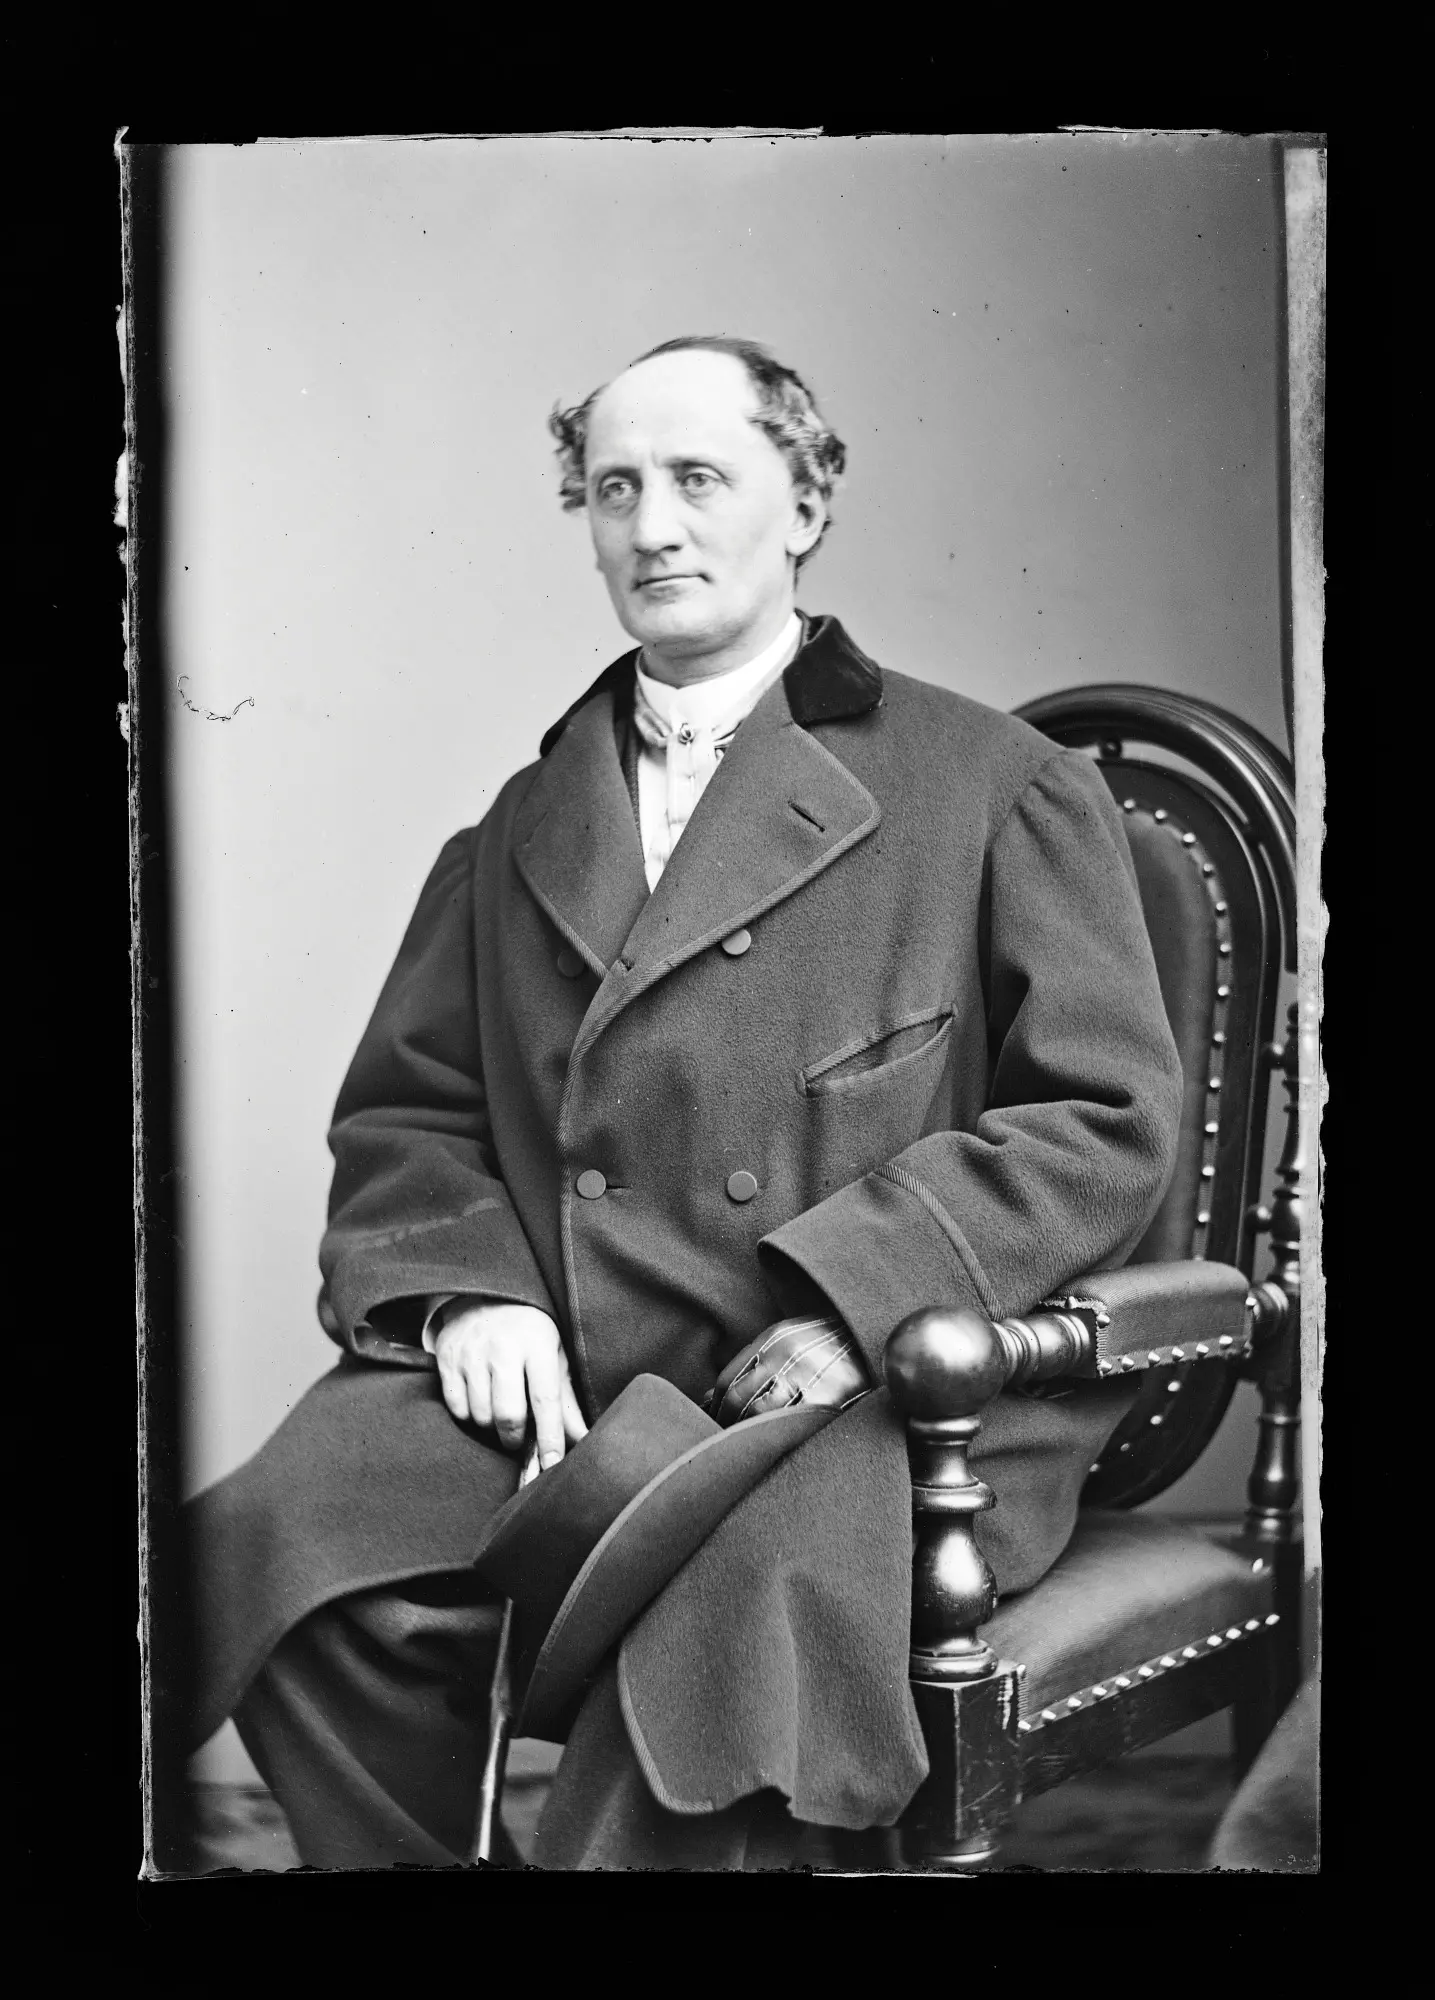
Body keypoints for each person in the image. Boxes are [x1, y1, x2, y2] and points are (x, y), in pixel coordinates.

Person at [185, 334, 1184, 1871]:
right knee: (284, 1542)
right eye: (614, 490)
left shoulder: (994, 786)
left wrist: (857, 1304)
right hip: (586, 1379)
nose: (651, 527)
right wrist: (470, 1292)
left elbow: (1100, 1121)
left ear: (806, 504)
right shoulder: (519, 826)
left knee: (721, 1648)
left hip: (888, 1396)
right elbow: (409, 1117)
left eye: (698, 479)